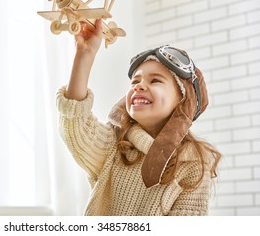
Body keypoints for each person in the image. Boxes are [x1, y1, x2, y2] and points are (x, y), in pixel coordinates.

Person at [56, 19, 221, 216]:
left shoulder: (193, 163)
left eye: (155, 80)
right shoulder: (113, 145)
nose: (139, 86)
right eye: (135, 80)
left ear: (182, 100)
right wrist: (85, 55)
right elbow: (76, 124)